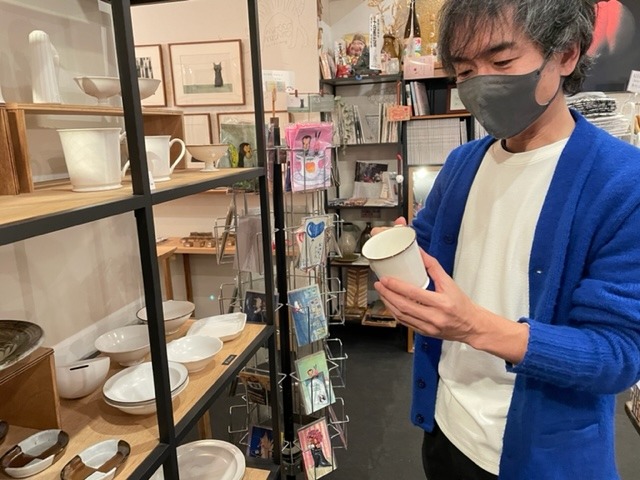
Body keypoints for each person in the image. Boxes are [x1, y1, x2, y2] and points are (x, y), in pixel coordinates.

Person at [373, 0, 640, 478]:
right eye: (464, 71)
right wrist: (402, 253)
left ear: (566, 54)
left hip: (546, 458)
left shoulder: (622, 182)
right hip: (446, 428)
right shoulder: (462, 164)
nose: (481, 84)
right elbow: (429, 251)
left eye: (501, 61)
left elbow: (616, 356)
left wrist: (474, 326)